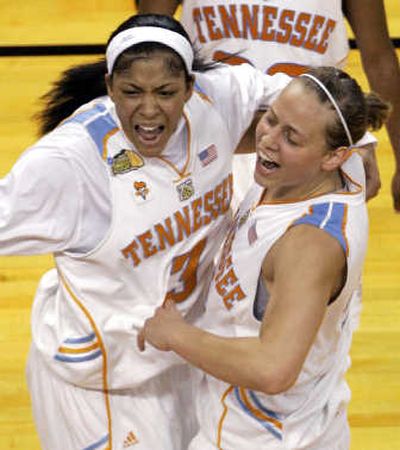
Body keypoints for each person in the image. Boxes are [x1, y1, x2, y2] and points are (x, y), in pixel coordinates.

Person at [0, 13, 291, 450]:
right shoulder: (72, 162)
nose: (149, 109)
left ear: (190, 89)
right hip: (102, 382)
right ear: (110, 86)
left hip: (182, 360)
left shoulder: (217, 98)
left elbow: (304, 98)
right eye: (132, 92)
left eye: (166, 93)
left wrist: (360, 144)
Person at [138, 66, 391, 449]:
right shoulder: (316, 170)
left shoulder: (308, 244)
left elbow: (273, 369)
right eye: (271, 118)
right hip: (278, 421)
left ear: (334, 157)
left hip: (266, 437)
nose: (268, 139)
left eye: (291, 137)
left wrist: (176, 334)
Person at [136, 0, 400, 211]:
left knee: (307, 267)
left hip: (308, 149)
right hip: (212, 146)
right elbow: (141, 46)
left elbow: (380, 61)